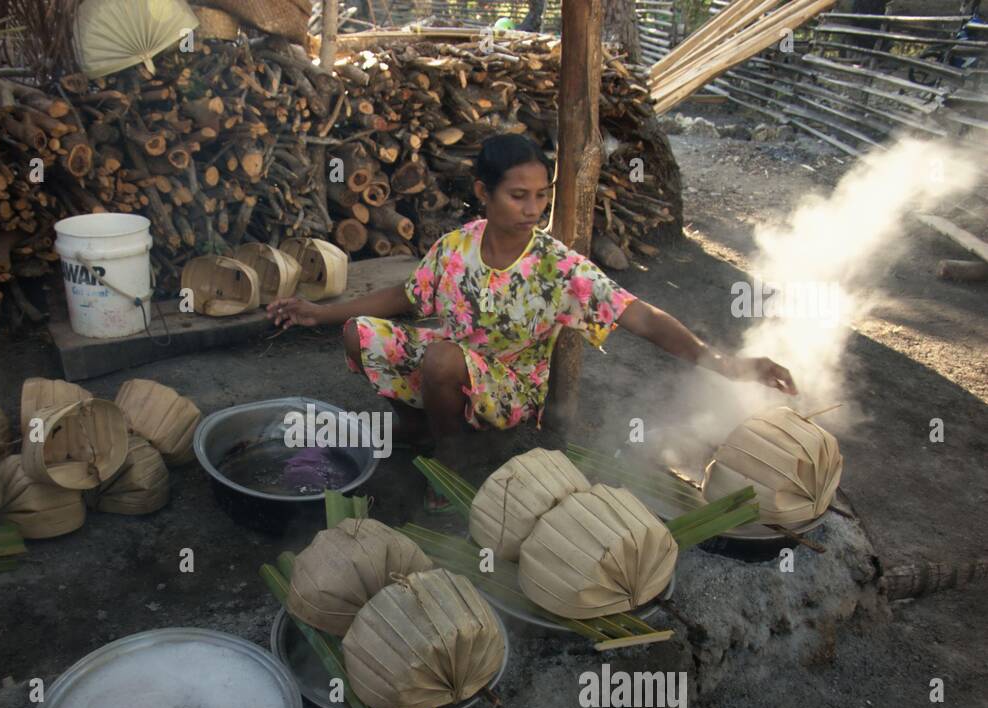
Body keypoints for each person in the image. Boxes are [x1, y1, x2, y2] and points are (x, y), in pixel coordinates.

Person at [265, 134, 797, 508]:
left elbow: (643, 317)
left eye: (541, 196)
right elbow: (405, 295)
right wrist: (320, 313)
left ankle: (454, 461)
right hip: (447, 362)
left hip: (511, 386)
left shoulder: (556, 267)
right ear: (483, 192)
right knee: (357, 333)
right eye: (519, 195)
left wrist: (726, 363)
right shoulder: (456, 247)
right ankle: (425, 424)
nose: (533, 208)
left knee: (442, 356)